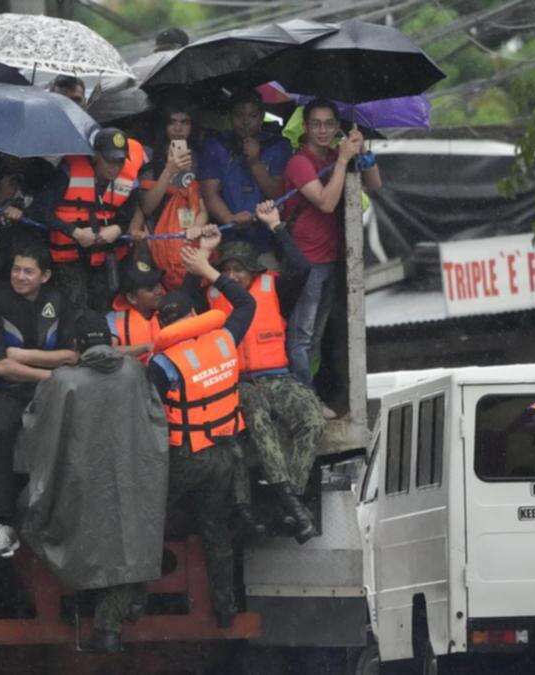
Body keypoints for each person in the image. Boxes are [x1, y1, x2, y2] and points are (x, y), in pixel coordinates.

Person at [18, 311, 169, 653]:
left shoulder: (64, 381)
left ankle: (104, 623)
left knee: (83, 539)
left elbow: (36, 426)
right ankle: (117, 617)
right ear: (112, 341)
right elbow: (157, 418)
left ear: (75, 346)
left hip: (80, 485)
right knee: (129, 543)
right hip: (132, 479)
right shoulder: (135, 373)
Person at [146, 230, 255, 628]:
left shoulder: (162, 365)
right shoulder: (225, 338)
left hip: (185, 458)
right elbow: (246, 301)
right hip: (224, 455)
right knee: (216, 532)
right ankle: (225, 610)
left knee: (148, 522)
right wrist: (208, 269)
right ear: (193, 317)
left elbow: (148, 415)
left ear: (163, 324)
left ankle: (134, 605)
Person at [205, 204, 327, 543]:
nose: (233, 276)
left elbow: (302, 267)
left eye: (240, 270)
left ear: (253, 271)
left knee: (312, 418)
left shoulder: (273, 288)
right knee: (258, 421)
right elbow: (183, 294)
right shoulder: (210, 297)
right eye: (226, 269)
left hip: (278, 378)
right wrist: (203, 251)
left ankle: (291, 497)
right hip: (237, 384)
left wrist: (276, 226)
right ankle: (290, 504)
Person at [0, 241, 77, 561]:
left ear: (45, 276)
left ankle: (63, 516)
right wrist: (49, 373)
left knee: (70, 436)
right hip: (7, 390)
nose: (19, 276)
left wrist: (22, 355)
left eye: (28, 271)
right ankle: (2, 525)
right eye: (15, 269)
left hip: (48, 391)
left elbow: (72, 355)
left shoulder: (58, 302)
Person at [283, 99, 381, 389]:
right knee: (301, 334)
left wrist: (360, 150)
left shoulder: (334, 156)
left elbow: (375, 185)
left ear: (337, 127)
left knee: (316, 334)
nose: (322, 130)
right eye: (316, 124)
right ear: (305, 127)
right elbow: (326, 203)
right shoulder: (299, 162)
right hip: (306, 260)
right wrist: (341, 160)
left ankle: (307, 392)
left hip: (330, 258)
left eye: (328, 124)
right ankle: (305, 398)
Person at [29, 127, 147, 312]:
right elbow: (39, 210)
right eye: (109, 160)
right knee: (75, 310)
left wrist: (117, 229)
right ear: (95, 156)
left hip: (104, 260)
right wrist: (73, 231)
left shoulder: (129, 180)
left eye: (120, 161)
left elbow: (127, 217)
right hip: (68, 259)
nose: (115, 167)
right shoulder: (68, 171)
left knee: (103, 309)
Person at [198, 89, 292, 249]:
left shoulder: (278, 145)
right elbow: (209, 192)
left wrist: (255, 163)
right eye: (239, 115)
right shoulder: (216, 145)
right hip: (226, 236)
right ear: (230, 116)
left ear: (262, 117)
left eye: (252, 116)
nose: (245, 122)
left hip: (268, 234)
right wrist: (230, 219)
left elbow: (279, 194)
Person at [135, 101, 209, 291]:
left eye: (184, 122)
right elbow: (147, 206)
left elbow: (202, 206)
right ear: (163, 126)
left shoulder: (198, 157)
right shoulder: (149, 155)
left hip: (187, 240)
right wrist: (169, 170)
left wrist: (197, 227)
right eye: (172, 122)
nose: (178, 128)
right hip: (154, 242)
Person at [106, 258, 164, 363]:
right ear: (132, 298)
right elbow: (109, 352)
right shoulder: (113, 318)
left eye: (158, 285)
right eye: (151, 289)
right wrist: (145, 347)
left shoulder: (171, 309)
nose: (159, 291)